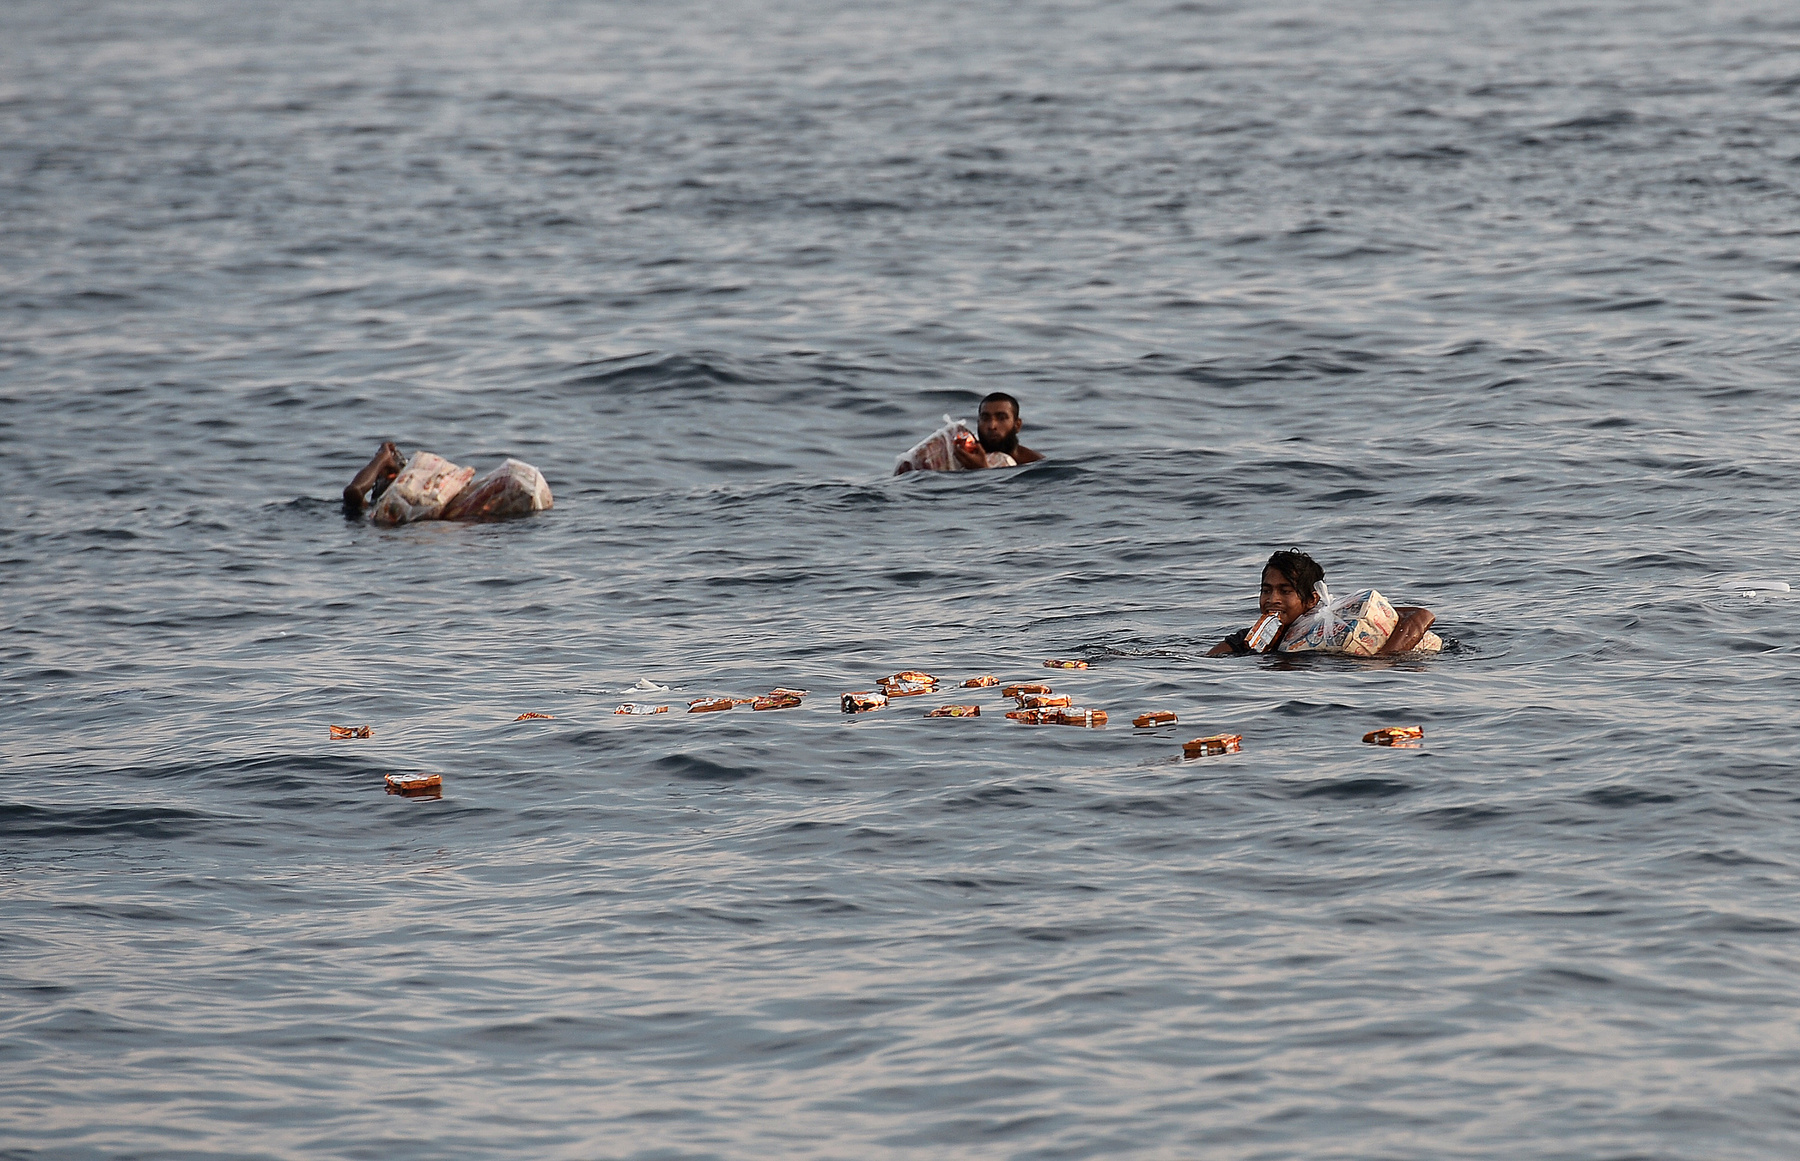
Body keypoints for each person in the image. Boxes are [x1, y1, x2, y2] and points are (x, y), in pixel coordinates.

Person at [1208, 549, 1436, 656]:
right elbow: (1210, 660)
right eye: (1266, 591)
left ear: (1311, 600)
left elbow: (1422, 615)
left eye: (1285, 591)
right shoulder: (1246, 640)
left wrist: (1384, 658)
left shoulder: (1335, 624)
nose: (1272, 600)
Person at [342, 440, 554, 524]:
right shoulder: (442, 494)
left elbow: (353, 492)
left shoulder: (401, 505)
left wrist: (380, 459)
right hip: (530, 481)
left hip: (519, 481)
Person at [954, 392, 1044, 470]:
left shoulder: (1035, 464)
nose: (992, 426)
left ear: (1017, 425)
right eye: (985, 418)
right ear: (978, 422)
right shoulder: (961, 455)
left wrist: (980, 470)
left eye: (1001, 418)